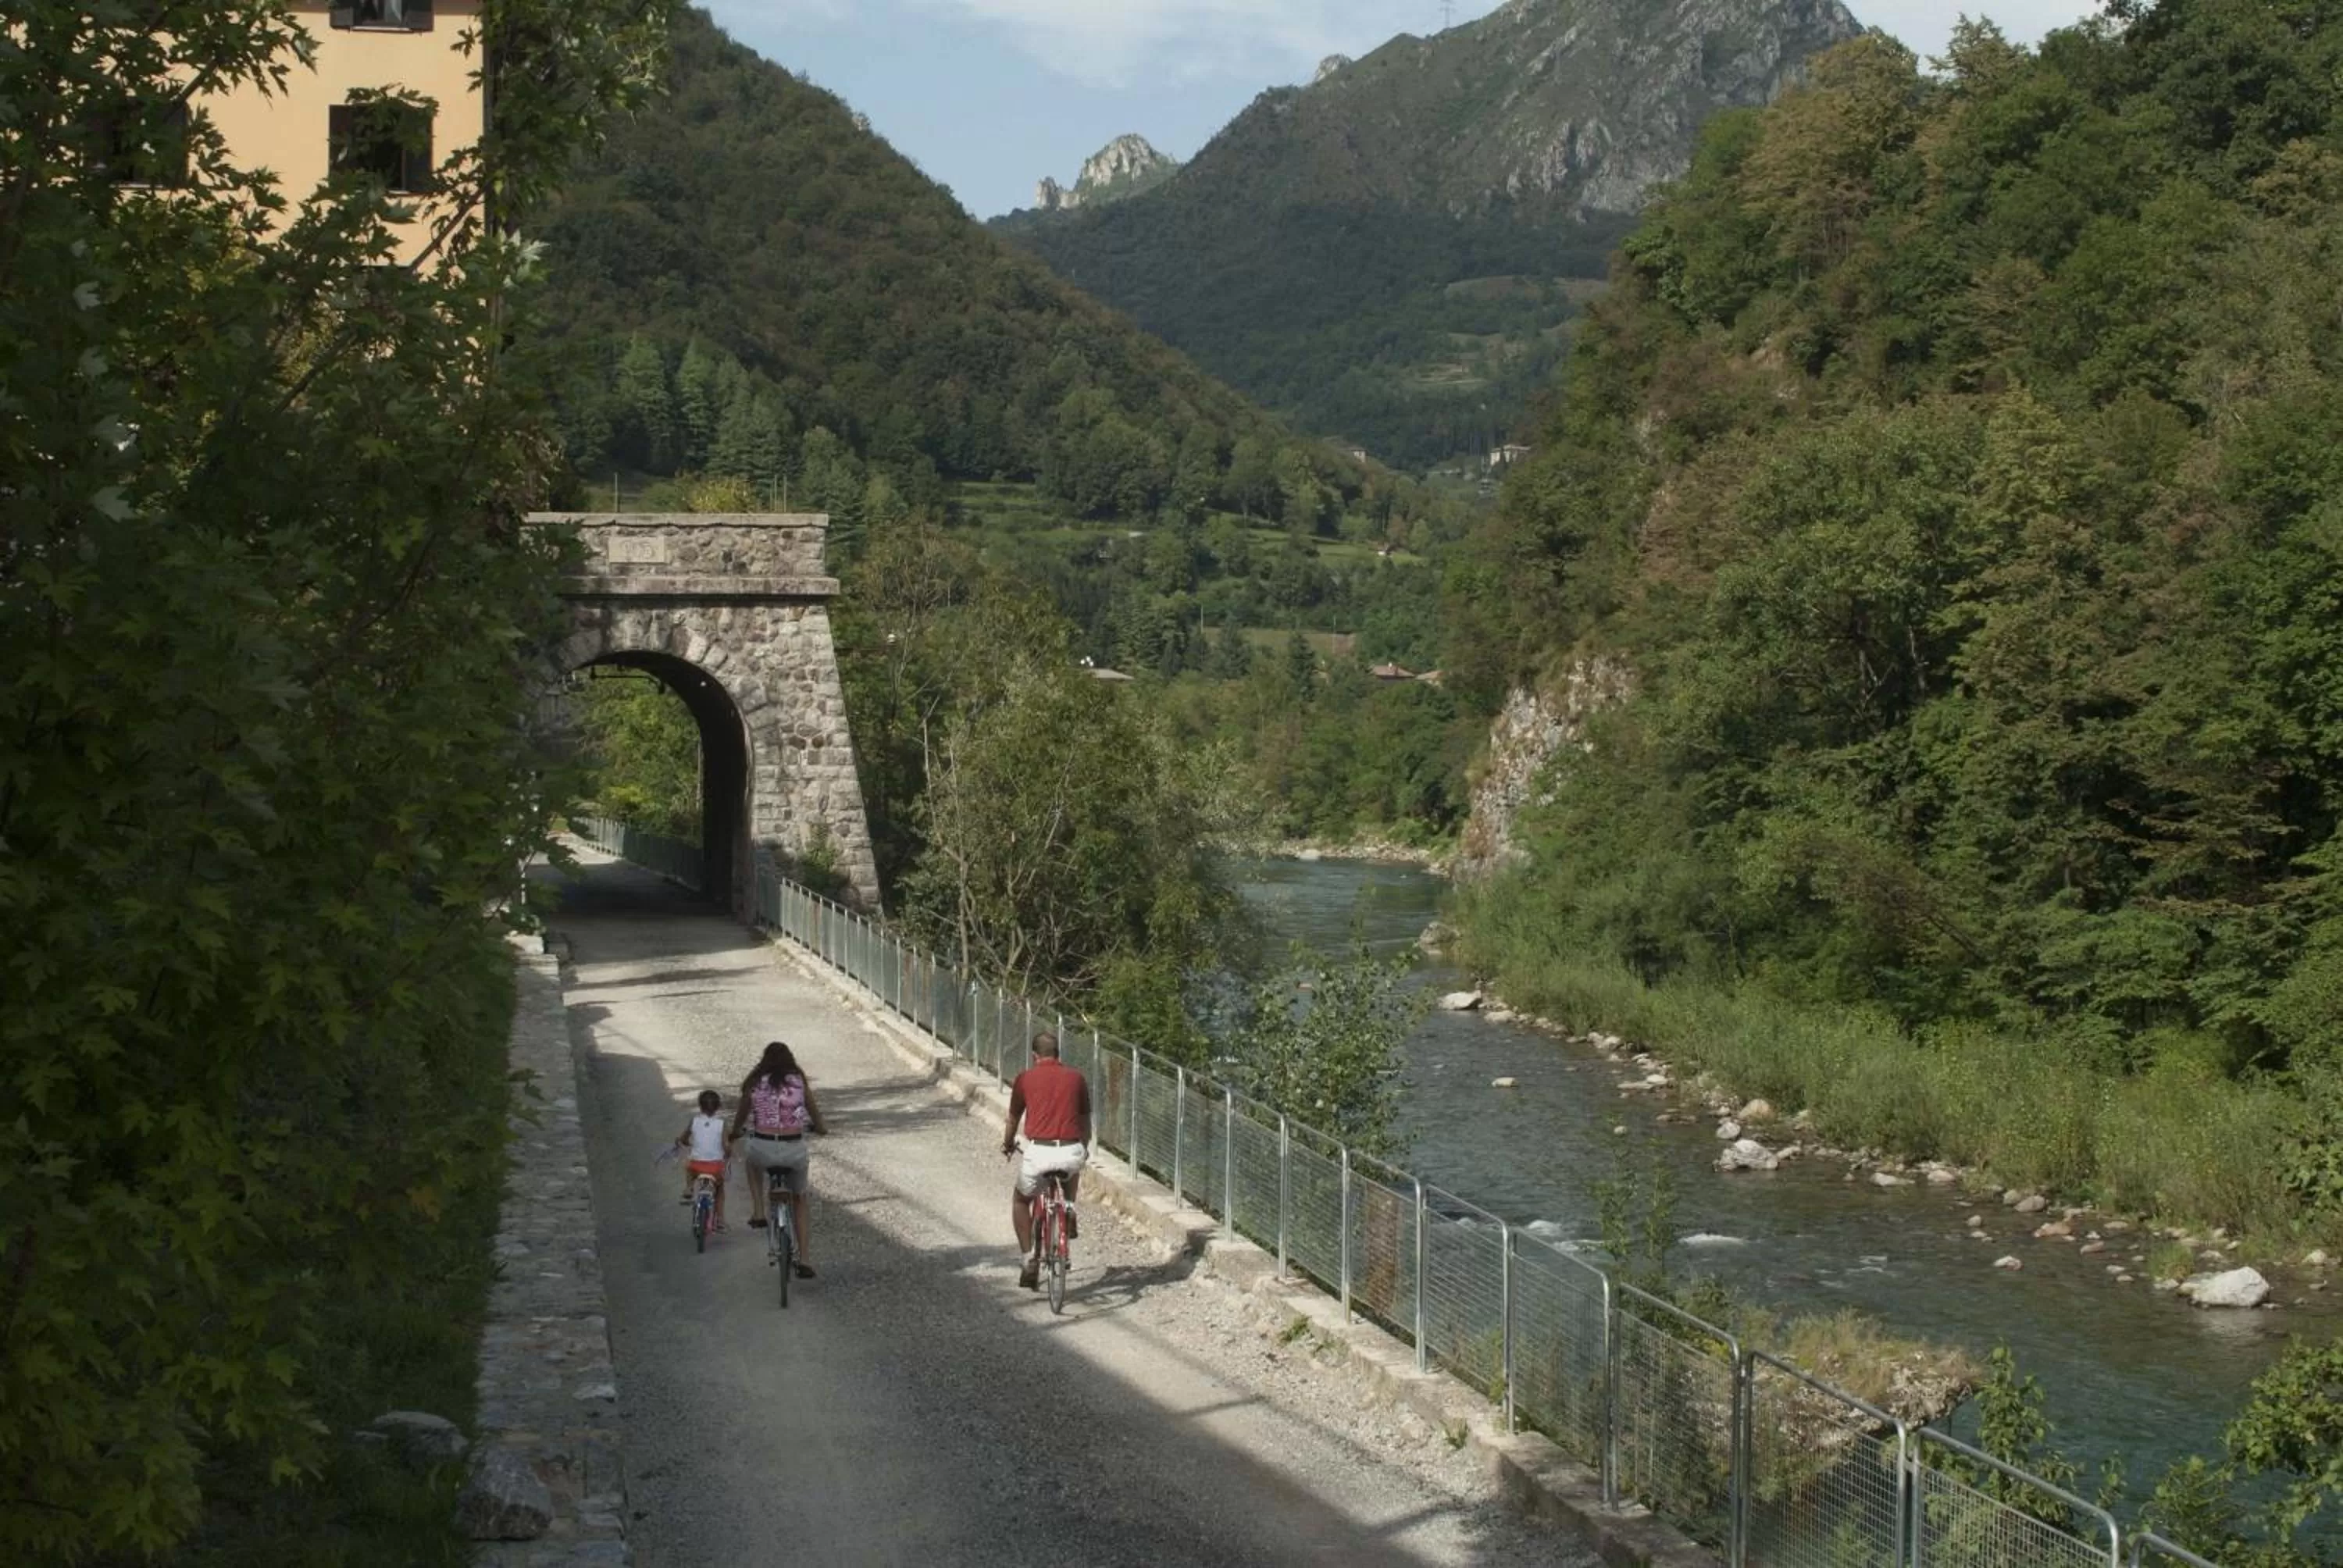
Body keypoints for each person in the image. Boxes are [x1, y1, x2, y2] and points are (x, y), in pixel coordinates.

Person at [1001, 1030, 1089, 1290]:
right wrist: (1084, 1148)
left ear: (1034, 1055)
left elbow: (1013, 1118)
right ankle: (1069, 1207)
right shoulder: (1077, 1078)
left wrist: (1008, 1144)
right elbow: (1085, 1120)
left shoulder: (1025, 1079)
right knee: (1073, 1169)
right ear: (1059, 1054)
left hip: (1039, 1151)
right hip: (1071, 1150)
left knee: (1020, 1200)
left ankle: (1029, 1257)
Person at [731, 1040, 826, 1278]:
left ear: (764, 1060)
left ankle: (759, 1211)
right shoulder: (798, 1081)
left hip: (762, 1146)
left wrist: (734, 1133)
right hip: (793, 1149)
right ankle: (804, 1259)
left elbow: (741, 1117)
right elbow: (814, 1113)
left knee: (751, 1163)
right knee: (800, 1199)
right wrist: (821, 1128)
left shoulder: (755, 1082)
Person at [675, 1089, 731, 1231]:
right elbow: (726, 1145)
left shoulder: (694, 1121)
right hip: (715, 1168)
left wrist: (681, 1142)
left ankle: (688, 1188)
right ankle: (720, 1220)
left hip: (697, 1166)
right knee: (719, 1190)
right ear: (718, 1107)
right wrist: (729, 1153)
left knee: (688, 1165)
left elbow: (683, 1138)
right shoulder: (721, 1124)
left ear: (700, 1106)